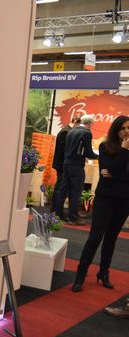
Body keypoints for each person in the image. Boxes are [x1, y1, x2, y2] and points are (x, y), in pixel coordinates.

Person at [72, 115, 129, 292]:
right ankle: (81, 274)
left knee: (111, 238)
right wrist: (124, 152)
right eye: (123, 128)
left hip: (124, 200)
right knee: (95, 237)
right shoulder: (105, 146)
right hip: (105, 198)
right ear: (116, 129)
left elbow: (114, 171)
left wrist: (115, 174)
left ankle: (103, 272)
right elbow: (110, 168)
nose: (126, 131)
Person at [54, 114, 98, 225]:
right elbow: (88, 152)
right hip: (77, 165)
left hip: (66, 163)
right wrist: (98, 156)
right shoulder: (87, 133)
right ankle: (73, 218)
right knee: (76, 191)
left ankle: (58, 213)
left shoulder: (71, 131)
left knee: (63, 189)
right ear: (90, 124)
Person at [51, 114, 81, 212]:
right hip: (61, 164)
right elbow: (65, 150)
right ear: (75, 122)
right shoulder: (66, 132)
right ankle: (55, 208)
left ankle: (55, 208)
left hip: (63, 163)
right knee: (60, 187)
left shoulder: (67, 131)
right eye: (79, 125)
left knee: (61, 186)